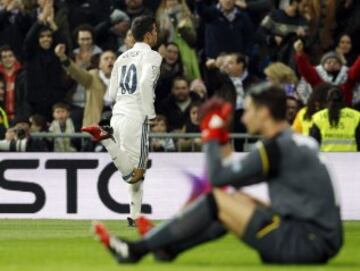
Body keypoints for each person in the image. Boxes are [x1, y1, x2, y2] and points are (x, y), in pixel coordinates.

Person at [93, 83, 343, 264]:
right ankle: (168, 249)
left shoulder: (276, 147)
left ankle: (136, 250)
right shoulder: (293, 142)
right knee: (237, 200)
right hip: (315, 240)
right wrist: (222, 137)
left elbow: (217, 179)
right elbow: (229, 177)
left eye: (248, 110)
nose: (243, 117)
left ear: (264, 113)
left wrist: (211, 133)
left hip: (301, 244)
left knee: (217, 199)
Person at [82, 16, 162, 226]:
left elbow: (111, 94)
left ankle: (134, 217)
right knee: (135, 174)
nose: (157, 34)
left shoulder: (121, 57)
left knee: (136, 173)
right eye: (155, 30)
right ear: (148, 34)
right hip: (137, 117)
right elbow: (145, 84)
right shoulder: (153, 56)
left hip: (119, 114)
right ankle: (106, 140)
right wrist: (150, 113)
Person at [310, 87, 360, 152]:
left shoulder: (318, 117)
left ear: (327, 99)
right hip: (351, 158)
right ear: (343, 99)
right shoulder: (356, 116)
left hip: (326, 158)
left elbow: (313, 143)